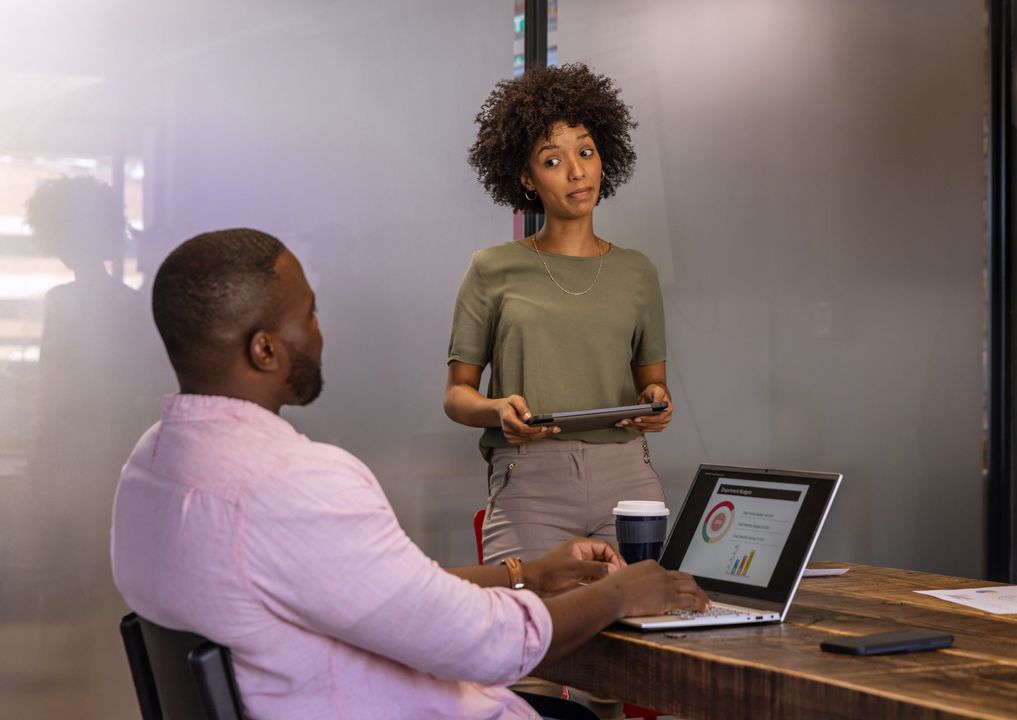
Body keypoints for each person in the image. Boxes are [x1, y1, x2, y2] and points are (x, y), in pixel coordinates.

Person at [111, 228, 707, 720]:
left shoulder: (150, 469)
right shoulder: (293, 482)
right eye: (309, 314)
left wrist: (524, 573)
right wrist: (620, 592)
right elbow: (489, 645)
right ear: (264, 350)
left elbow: (377, 592)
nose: (319, 330)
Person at [445, 63, 673, 567]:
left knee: (643, 619)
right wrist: (498, 409)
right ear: (526, 176)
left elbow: (653, 387)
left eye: (586, 153)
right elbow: (457, 396)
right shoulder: (492, 268)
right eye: (553, 160)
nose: (577, 171)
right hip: (530, 480)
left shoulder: (637, 272)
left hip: (627, 479)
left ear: (602, 160)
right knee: (524, 629)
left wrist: (656, 403)